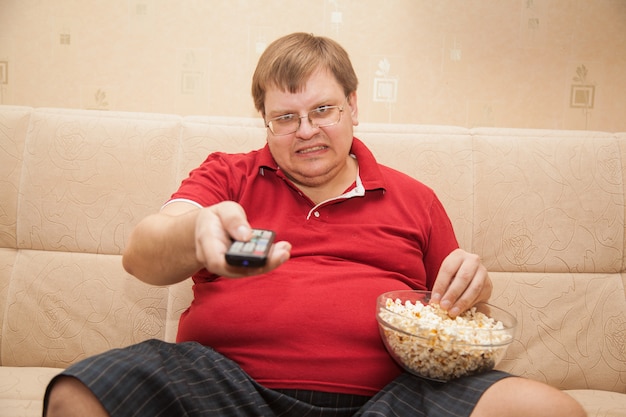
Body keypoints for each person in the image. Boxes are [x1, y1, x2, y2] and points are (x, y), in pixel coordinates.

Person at [43, 32, 586, 417]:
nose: (306, 131)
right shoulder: (226, 175)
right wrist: (195, 234)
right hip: (226, 387)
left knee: (548, 409)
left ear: (353, 105)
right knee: (76, 395)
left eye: (323, 109)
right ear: (265, 120)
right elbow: (142, 255)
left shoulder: (415, 198)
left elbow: (459, 318)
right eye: (285, 117)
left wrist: (477, 291)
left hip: (395, 398)